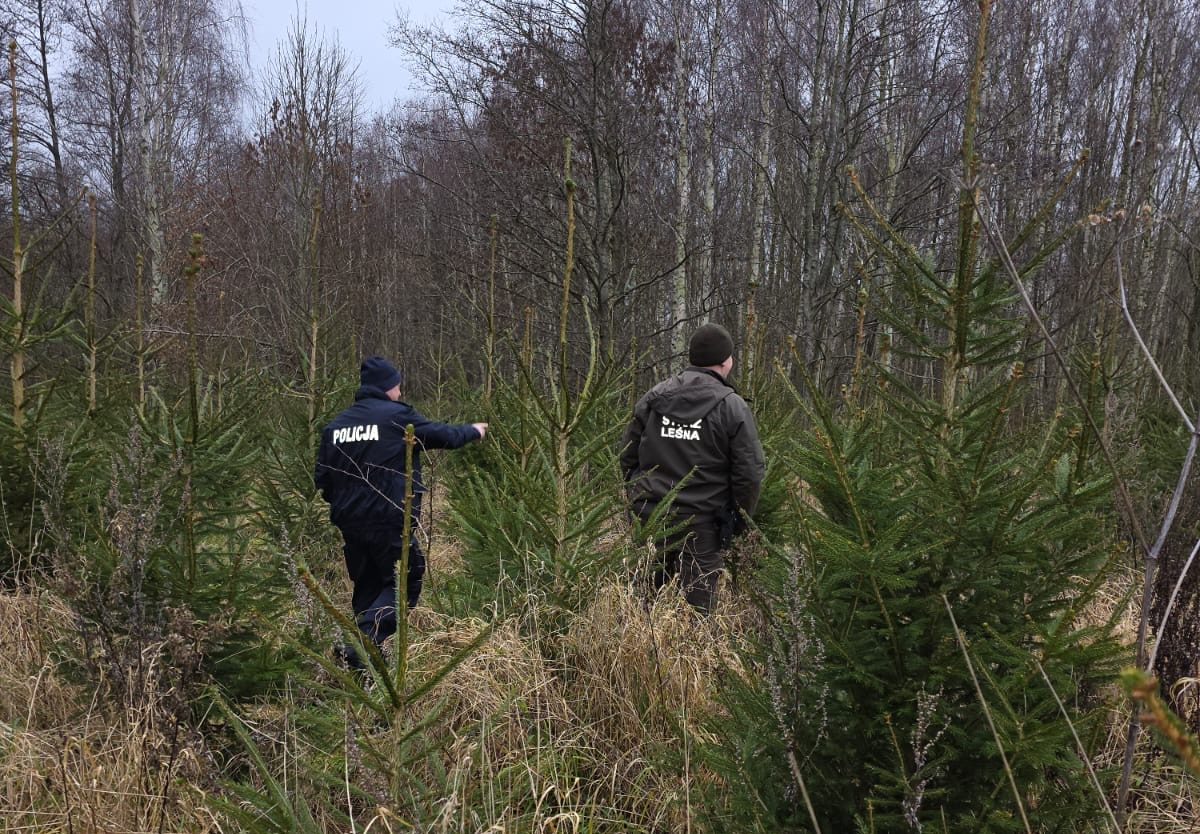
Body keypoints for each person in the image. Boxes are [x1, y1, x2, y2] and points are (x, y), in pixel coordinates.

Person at [315, 356, 487, 664]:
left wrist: (349, 507)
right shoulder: (396, 417)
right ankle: (359, 644)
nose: (399, 391)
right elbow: (443, 435)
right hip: (390, 519)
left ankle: (365, 674)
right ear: (388, 387)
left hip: (350, 524)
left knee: (367, 588)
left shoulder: (336, 427)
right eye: (396, 386)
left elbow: (323, 480)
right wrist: (473, 430)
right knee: (403, 583)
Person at [620, 323, 765, 612]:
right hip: (703, 523)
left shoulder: (655, 396)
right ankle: (690, 656)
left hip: (652, 514)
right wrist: (739, 518)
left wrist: (637, 493)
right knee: (697, 611)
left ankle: (640, 654)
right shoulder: (732, 407)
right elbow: (749, 472)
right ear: (727, 361)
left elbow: (627, 453)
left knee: (647, 603)